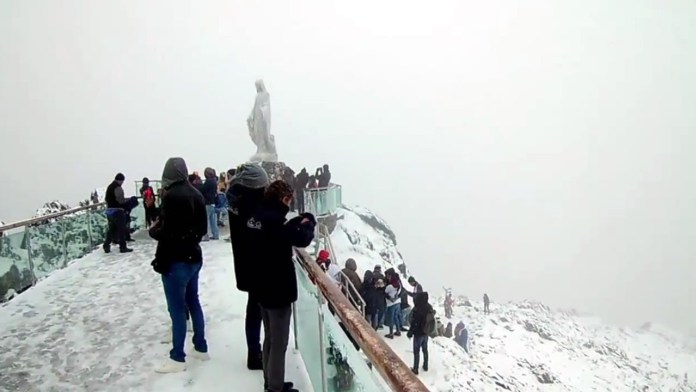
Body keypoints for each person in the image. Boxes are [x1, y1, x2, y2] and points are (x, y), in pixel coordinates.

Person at [247, 180, 316, 392]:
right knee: (279, 342)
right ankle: (275, 388)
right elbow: (300, 239)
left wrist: (294, 222)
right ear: (282, 198)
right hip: (277, 289)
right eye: (288, 200)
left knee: (269, 338)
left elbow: (280, 235)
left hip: (260, 286)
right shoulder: (274, 222)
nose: (289, 204)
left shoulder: (256, 216)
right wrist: (309, 223)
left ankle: (271, 382)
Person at [149, 157, 209, 373]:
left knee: (176, 310)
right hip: (194, 256)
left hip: (175, 260)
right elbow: (201, 229)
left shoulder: (171, 196)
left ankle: (177, 358)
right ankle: (201, 347)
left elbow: (167, 231)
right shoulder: (197, 193)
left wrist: (154, 231)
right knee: (193, 302)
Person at [226, 163, 270, 370]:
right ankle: (258, 355)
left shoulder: (236, 201)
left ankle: (255, 352)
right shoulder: (252, 206)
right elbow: (266, 233)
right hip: (260, 265)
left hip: (245, 263)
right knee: (262, 312)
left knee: (253, 310)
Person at [103, 173, 134, 253]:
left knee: (112, 229)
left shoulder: (110, 187)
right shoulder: (117, 187)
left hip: (110, 211)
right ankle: (123, 247)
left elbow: (107, 199)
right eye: (122, 181)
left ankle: (106, 245)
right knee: (121, 229)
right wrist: (126, 203)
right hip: (117, 211)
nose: (122, 183)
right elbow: (120, 200)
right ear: (120, 180)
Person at [407, 292, 434, 375]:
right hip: (426, 332)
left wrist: (410, 333)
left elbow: (414, 322)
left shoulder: (417, 309)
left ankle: (415, 368)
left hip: (418, 333)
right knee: (425, 350)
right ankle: (425, 365)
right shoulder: (429, 307)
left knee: (416, 351)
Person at [199, 167, 219, 241]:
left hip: (207, 202)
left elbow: (202, 189)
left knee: (206, 220)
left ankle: (205, 235)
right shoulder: (214, 181)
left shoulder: (208, 181)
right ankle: (215, 234)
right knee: (213, 220)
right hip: (212, 202)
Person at [384, 274, 402, 339]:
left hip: (391, 304)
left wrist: (390, 298)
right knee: (396, 317)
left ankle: (391, 334)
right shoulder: (399, 285)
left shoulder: (389, 286)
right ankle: (398, 330)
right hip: (398, 303)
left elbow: (385, 293)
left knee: (390, 318)